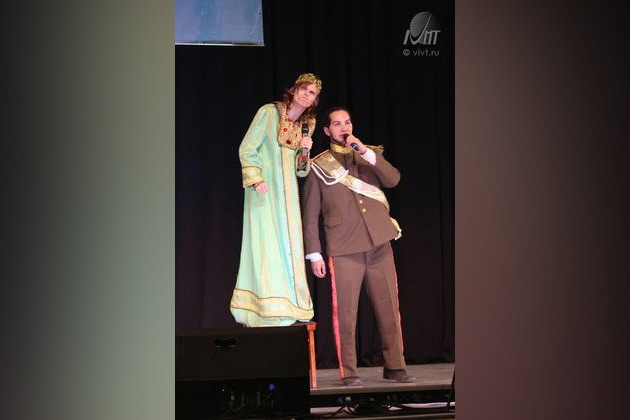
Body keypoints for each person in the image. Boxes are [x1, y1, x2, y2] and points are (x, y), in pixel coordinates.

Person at [301, 106, 414, 386]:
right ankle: (349, 372)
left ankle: (395, 366)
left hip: (379, 243)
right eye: (337, 124)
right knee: (346, 313)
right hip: (344, 248)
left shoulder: (369, 154)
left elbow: (393, 179)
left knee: (389, 308)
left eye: (347, 122)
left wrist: (364, 152)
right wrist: (314, 253)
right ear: (327, 130)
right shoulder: (319, 165)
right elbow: (310, 214)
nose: (344, 127)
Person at [230, 73, 322, 327]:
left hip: (288, 197)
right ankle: (262, 308)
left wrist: (305, 150)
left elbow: (300, 171)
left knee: (289, 245)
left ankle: (288, 306)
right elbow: (247, 148)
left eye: (312, 93)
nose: (306, 95)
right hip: (264, 190)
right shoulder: (269, 113)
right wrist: (255, 177)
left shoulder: (307, 125)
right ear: (294, 90)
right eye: (304, 89)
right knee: (266, 245)